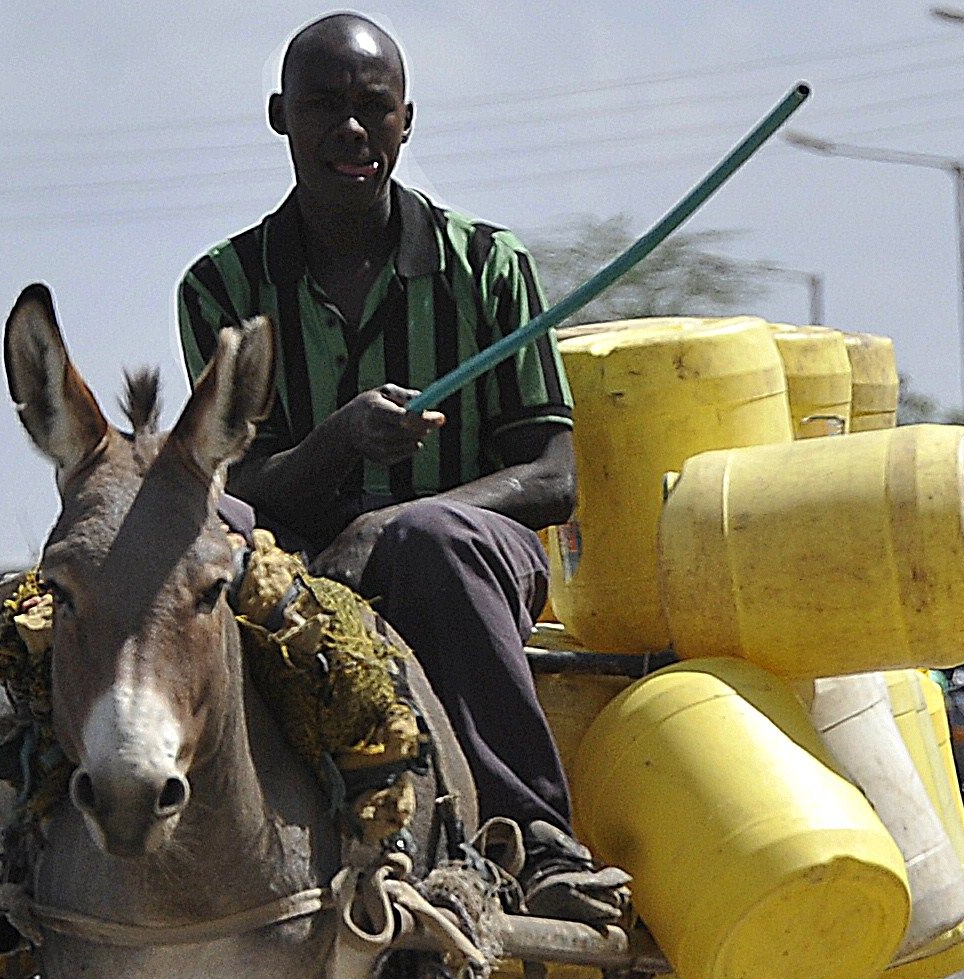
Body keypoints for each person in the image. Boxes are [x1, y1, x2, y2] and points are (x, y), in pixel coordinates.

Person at [175, 13, 627, 923]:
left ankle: (533, 841)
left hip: (469, 563)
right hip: (298, 559)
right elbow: (234, 483)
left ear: (405, 122)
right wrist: (336, 444)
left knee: (429, 538)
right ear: (280, 117)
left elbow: (550, 474)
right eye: (324, 107)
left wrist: (392, 522)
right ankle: (179, 843)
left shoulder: (488, 268)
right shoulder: (219, 288)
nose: (350, 130)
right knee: (193, 541)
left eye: (371, 109)